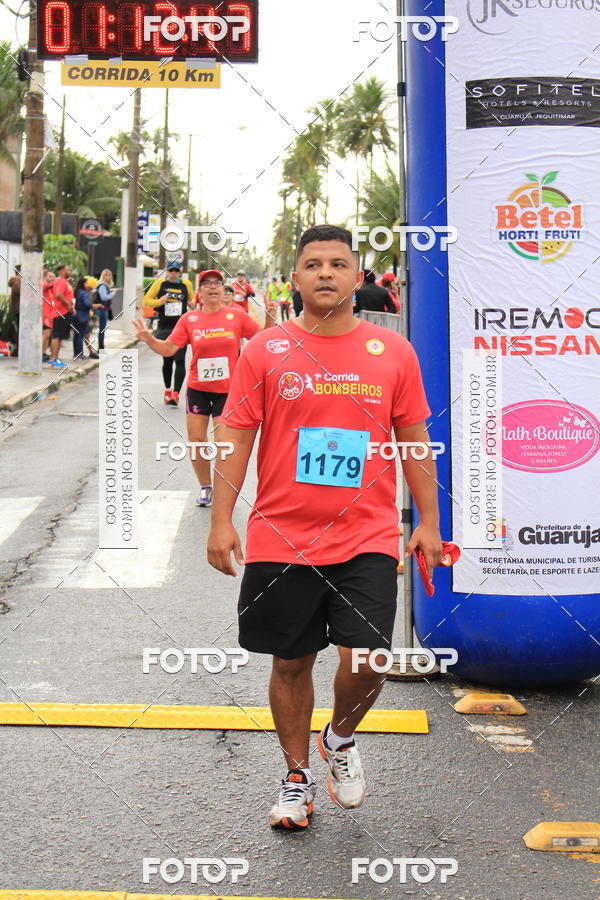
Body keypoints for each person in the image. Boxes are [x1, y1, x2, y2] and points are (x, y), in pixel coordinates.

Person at [207, 224, 442, 831]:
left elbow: (414, 441)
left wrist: (428, 524)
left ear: (357, 277)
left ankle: (338, 739)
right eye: (313, 264)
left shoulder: (393, 353)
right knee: (290, 662)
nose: (326, 273)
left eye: (339, 263)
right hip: (280, 536)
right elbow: (236, 436)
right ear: (295, 278)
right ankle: (294, 777)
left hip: (364, 534)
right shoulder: (265, 350)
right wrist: (221, 521)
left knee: (369, 658)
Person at [133, 269, 277, 507]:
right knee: (197, 440)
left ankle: (222, 490)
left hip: (228, 390)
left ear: (223, 290)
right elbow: (169, 349)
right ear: (199, 292)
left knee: (222, 443)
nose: (212, 287)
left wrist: (269, 319)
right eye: (207, 284)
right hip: (198, 388)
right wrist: (149, 339)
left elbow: (261, 338)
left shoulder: (236, 316)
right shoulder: (189, 320)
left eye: (217, 284)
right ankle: (205, 487)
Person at [143, 263, 195, 406]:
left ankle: (176, 394)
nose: (173, 273)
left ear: (180, 272)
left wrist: (192, 304)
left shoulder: (186, 284)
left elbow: (192, 299)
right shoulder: (160, 283)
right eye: (171, 270)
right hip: (164, 327)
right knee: (167, 360)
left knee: (180, 360)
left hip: (181, 328)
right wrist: (160, 301)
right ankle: (167, 390)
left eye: (176, 271)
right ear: (167, 272)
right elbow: (147, 300)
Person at [49, 263, 75, 368]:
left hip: (65, 312)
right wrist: (68, 304)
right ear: (61, 271)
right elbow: (58, 294)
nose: (69, 272)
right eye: (67, 270)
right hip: (60, 313)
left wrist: (71, 307)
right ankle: (53, 358)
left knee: (60, 337)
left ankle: (56, 358)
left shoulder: (65, 282)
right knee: (57, 336)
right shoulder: (60, 281)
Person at [73, 276, 99, 359]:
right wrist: (93, 306)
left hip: (76, 315)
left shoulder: (77, 291)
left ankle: (76, 353)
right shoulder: (84, 293)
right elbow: (87, 304)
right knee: (81, 335)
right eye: (87, 283)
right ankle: (80, 354)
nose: (88, 285)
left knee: (76, 335)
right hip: (83, 316)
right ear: (83, 283)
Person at [96, 268, 115, 350]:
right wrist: (111, 294)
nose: (108, 277)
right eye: (106, 275)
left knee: (102, 328)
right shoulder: (102, 285)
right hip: (102, 309)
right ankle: (100, 347)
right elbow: (104, 298)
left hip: (104, 309)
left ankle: (101, 346)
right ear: (103, 276)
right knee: (102, 329)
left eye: (109, 275)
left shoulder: (104, 286)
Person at [42, 270, 56, 361]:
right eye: (50, 277)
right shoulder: (43, 285)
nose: (52, 279)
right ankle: (41, 353)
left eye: (53, 277)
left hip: (50, 314)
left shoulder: (51, 289)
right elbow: (47, 285)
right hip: (45, 314)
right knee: (46, 334)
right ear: (45, 277)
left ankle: (44, 352)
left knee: (48, 334)